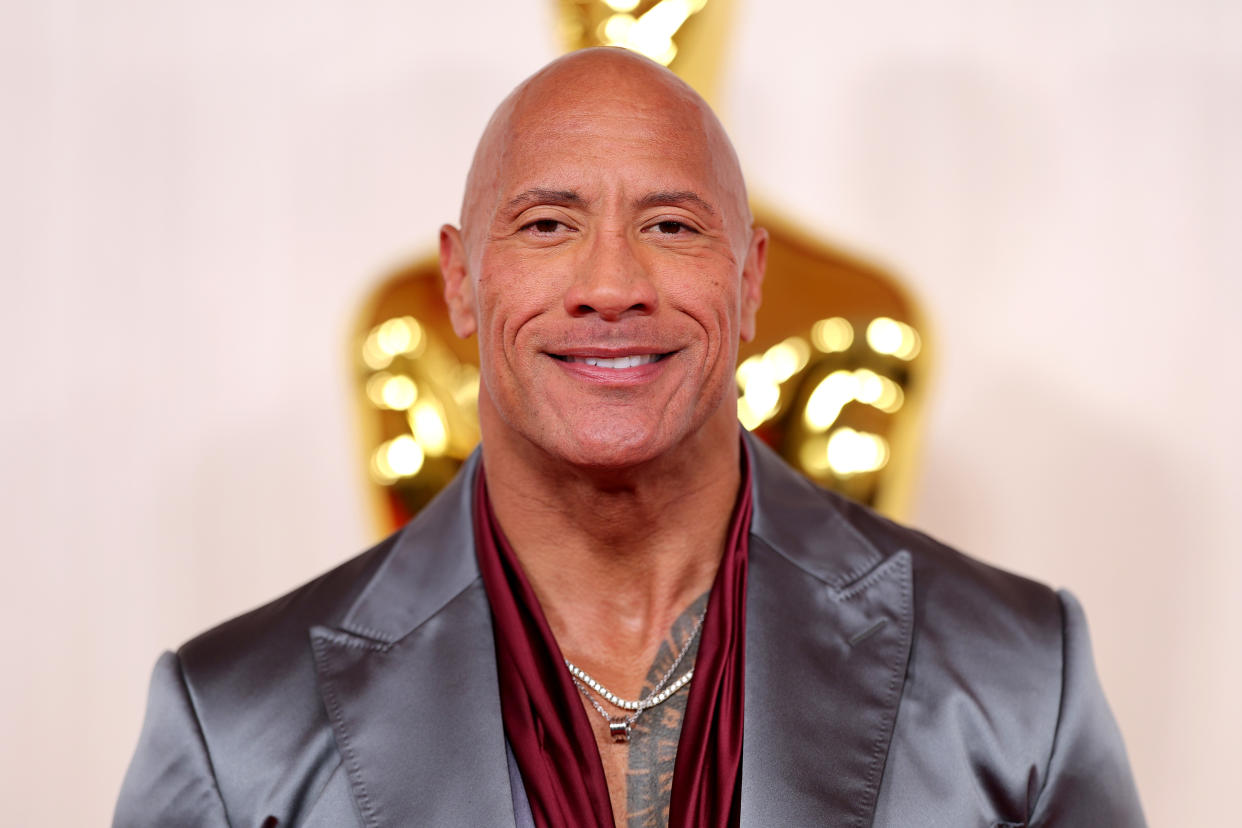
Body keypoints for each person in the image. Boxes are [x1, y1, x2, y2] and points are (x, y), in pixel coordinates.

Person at [115, 48, 1145, 827]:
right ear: (459, 284)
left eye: (671, 225)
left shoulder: (1018, 681)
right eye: (548, 224)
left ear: (749, 283)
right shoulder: (234, 728)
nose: (610, 287)